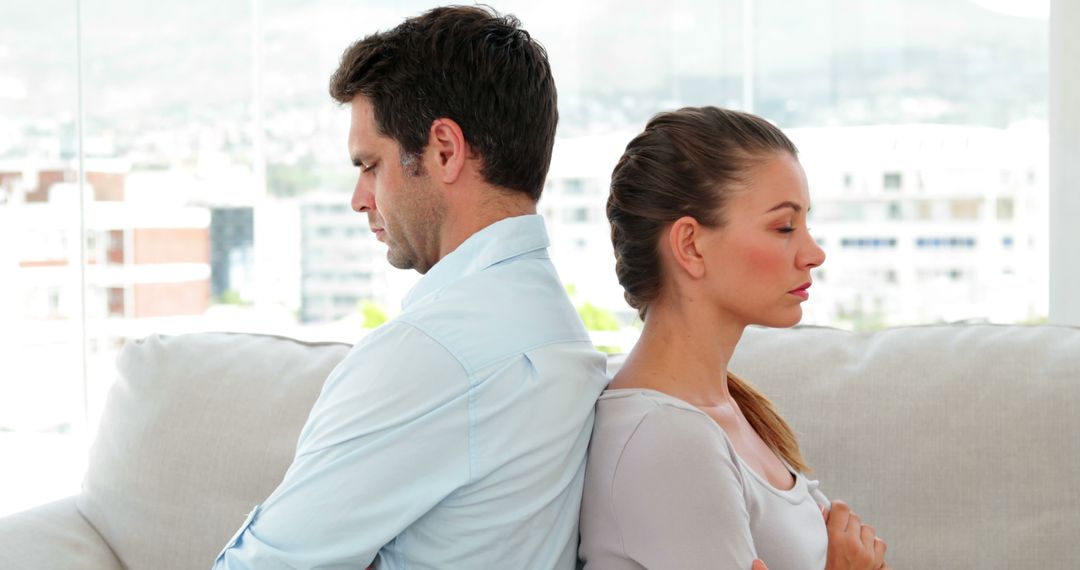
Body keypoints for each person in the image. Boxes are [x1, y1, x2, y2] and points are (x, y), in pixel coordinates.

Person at [213, 7, 608, 569]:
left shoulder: (432, 353)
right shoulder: (556, 329)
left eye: (370, 165)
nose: (359, 198)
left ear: (444, 150)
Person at [578, 106, 889, 570]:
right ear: (690, 245)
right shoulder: (668, 439)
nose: (814, 253)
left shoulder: (729, 413)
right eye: (784, 227)